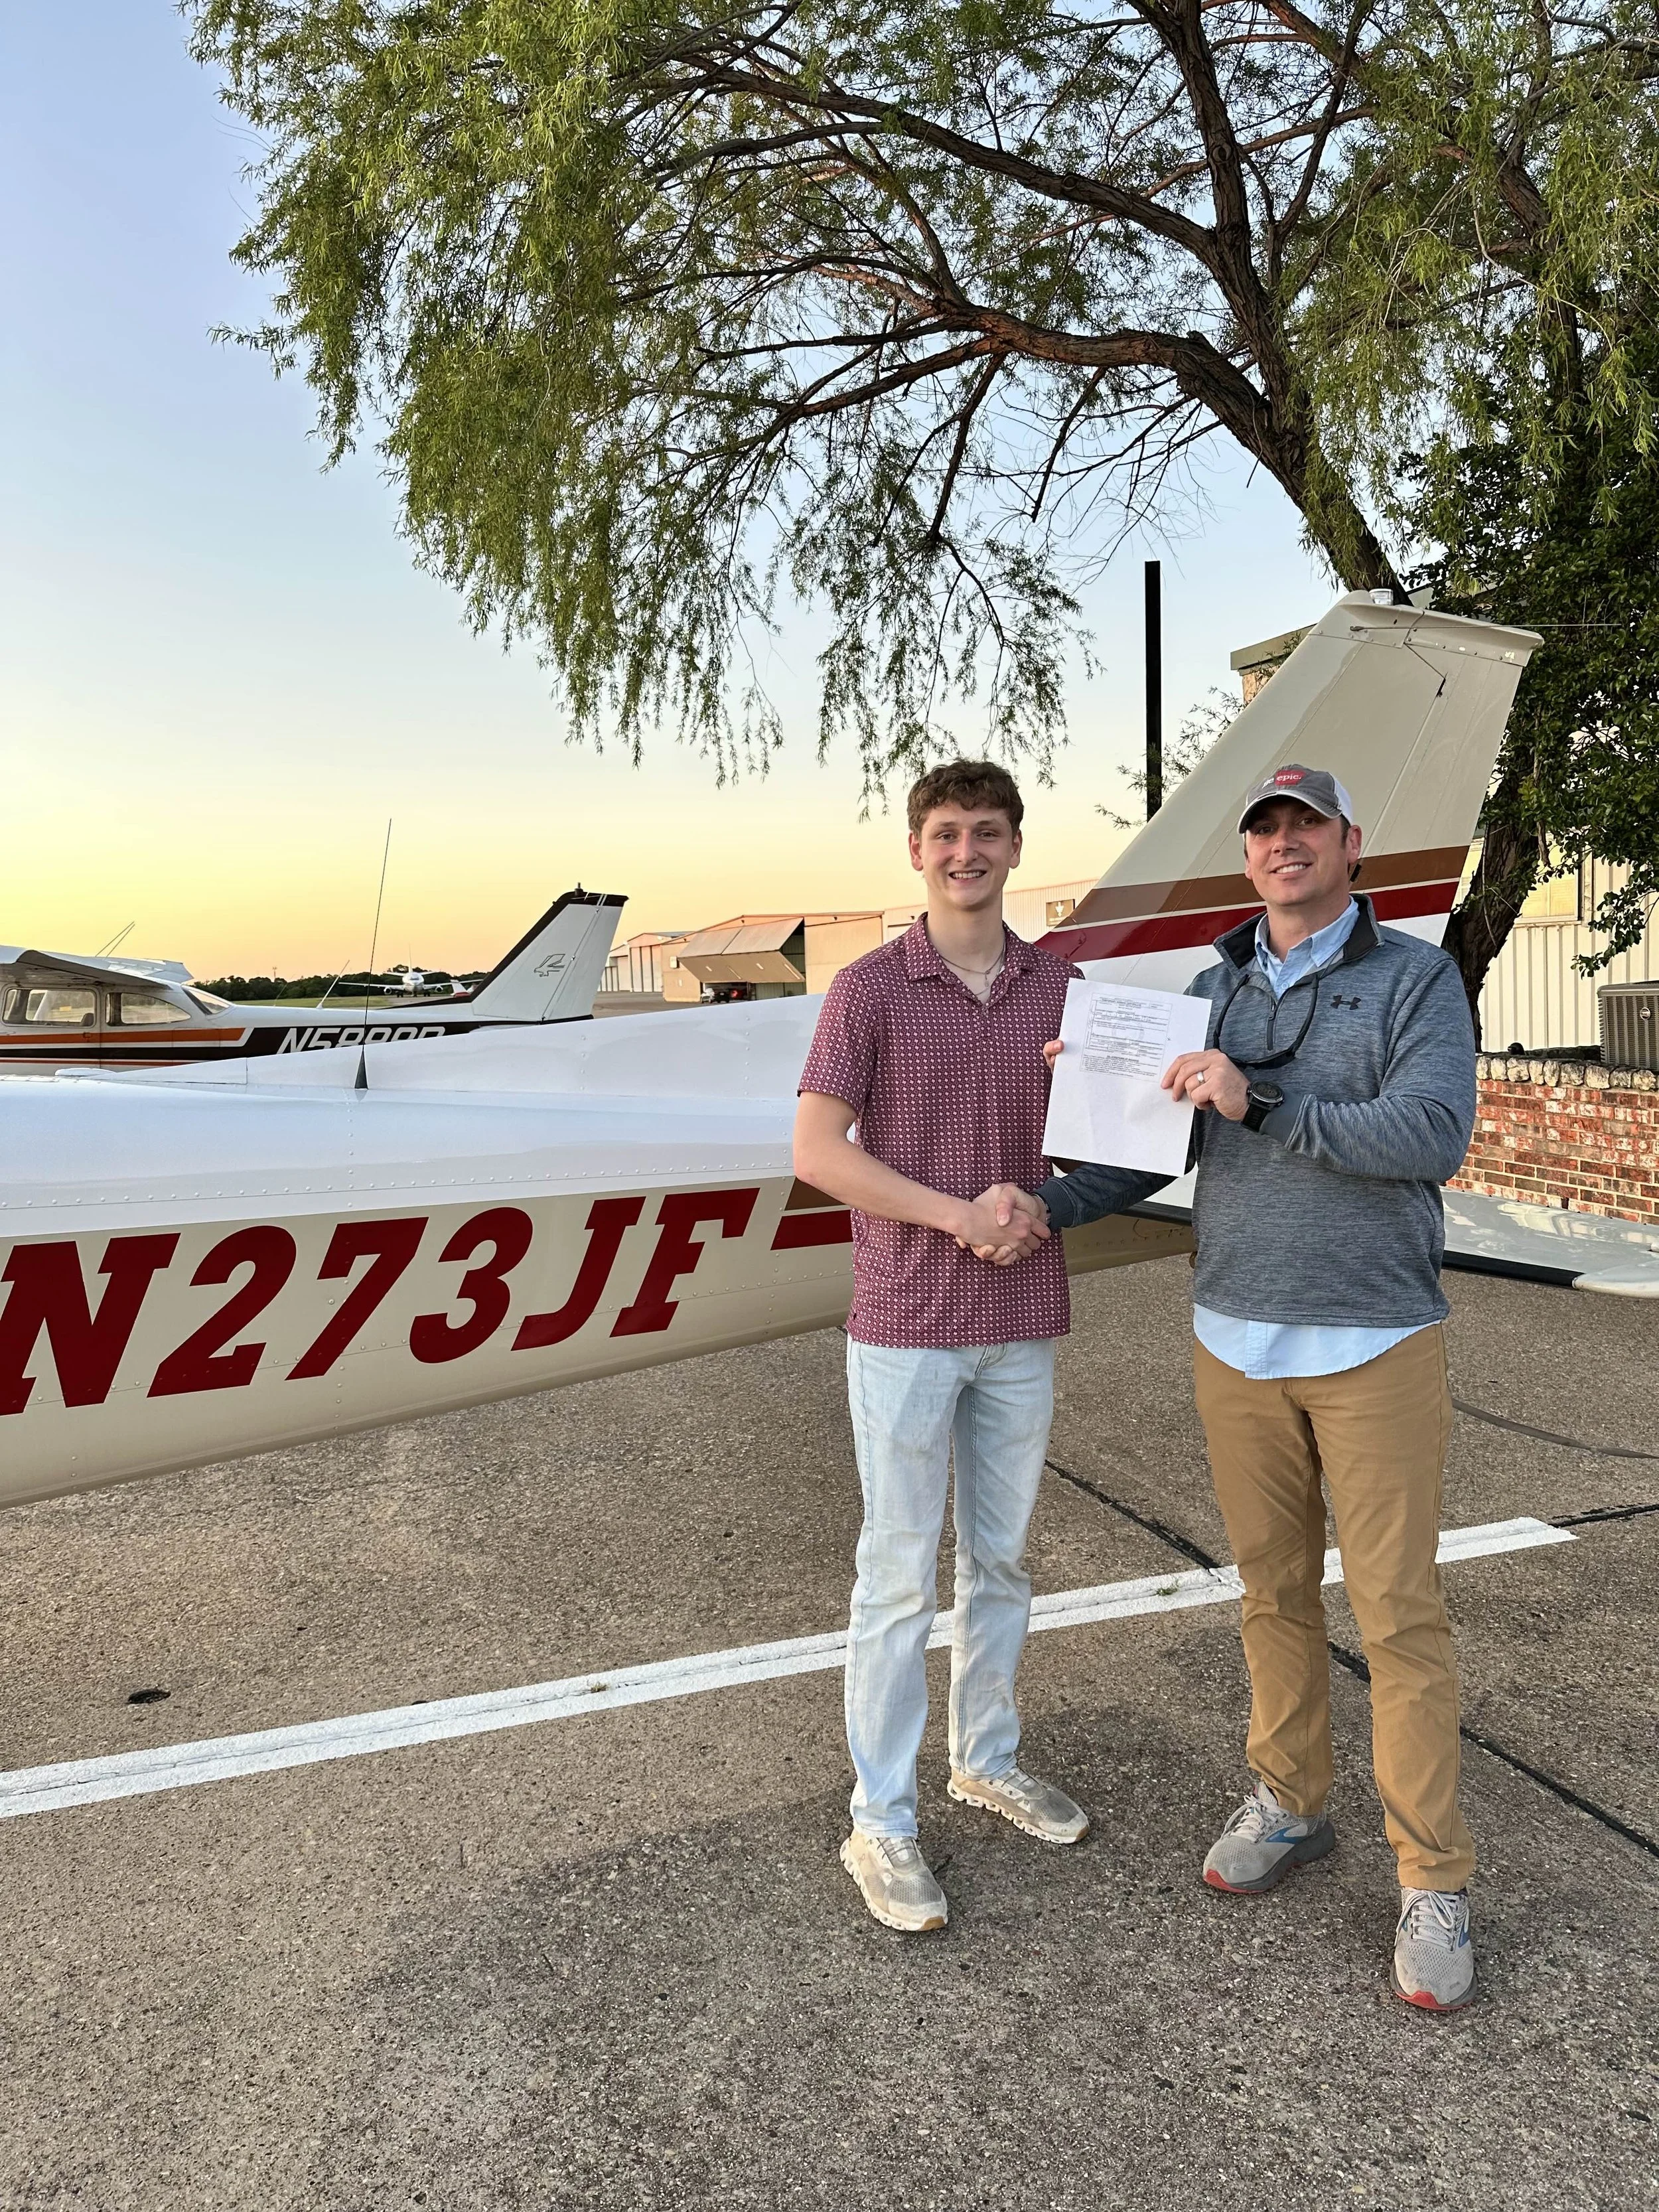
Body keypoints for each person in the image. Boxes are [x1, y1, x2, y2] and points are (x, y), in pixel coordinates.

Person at [985, 765, 1481, 2010]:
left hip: (1372, 1339)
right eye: (1265, 830)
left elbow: (1431, 1137)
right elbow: (1155, 1154)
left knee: (1398, 1617)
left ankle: (1432, 1876)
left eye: (1305, 826)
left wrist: (1258, 1100)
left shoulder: (1416, 979)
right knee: (1271, 1594)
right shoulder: (1211, 994)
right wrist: (1044, 1198)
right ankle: (1292, 1802)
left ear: (1350, 845)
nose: (1283, 845)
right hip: (1235, 1341)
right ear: (1248, 856)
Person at [793, 759, 1088, 1935]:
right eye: (948, 833)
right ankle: (881, 1820)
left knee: (1002, 1561)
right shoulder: (869, 989)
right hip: (909, 1321)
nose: (968, 852)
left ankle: (986, 1759)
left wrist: (1047, 1192)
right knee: (899, 1574)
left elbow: (1109, 1141)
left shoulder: (1063, 989)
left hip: (1022, 1318)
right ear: (918, 850)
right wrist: (959, 1216)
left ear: (1016, 848)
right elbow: (819, 1151)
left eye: (988, 832)